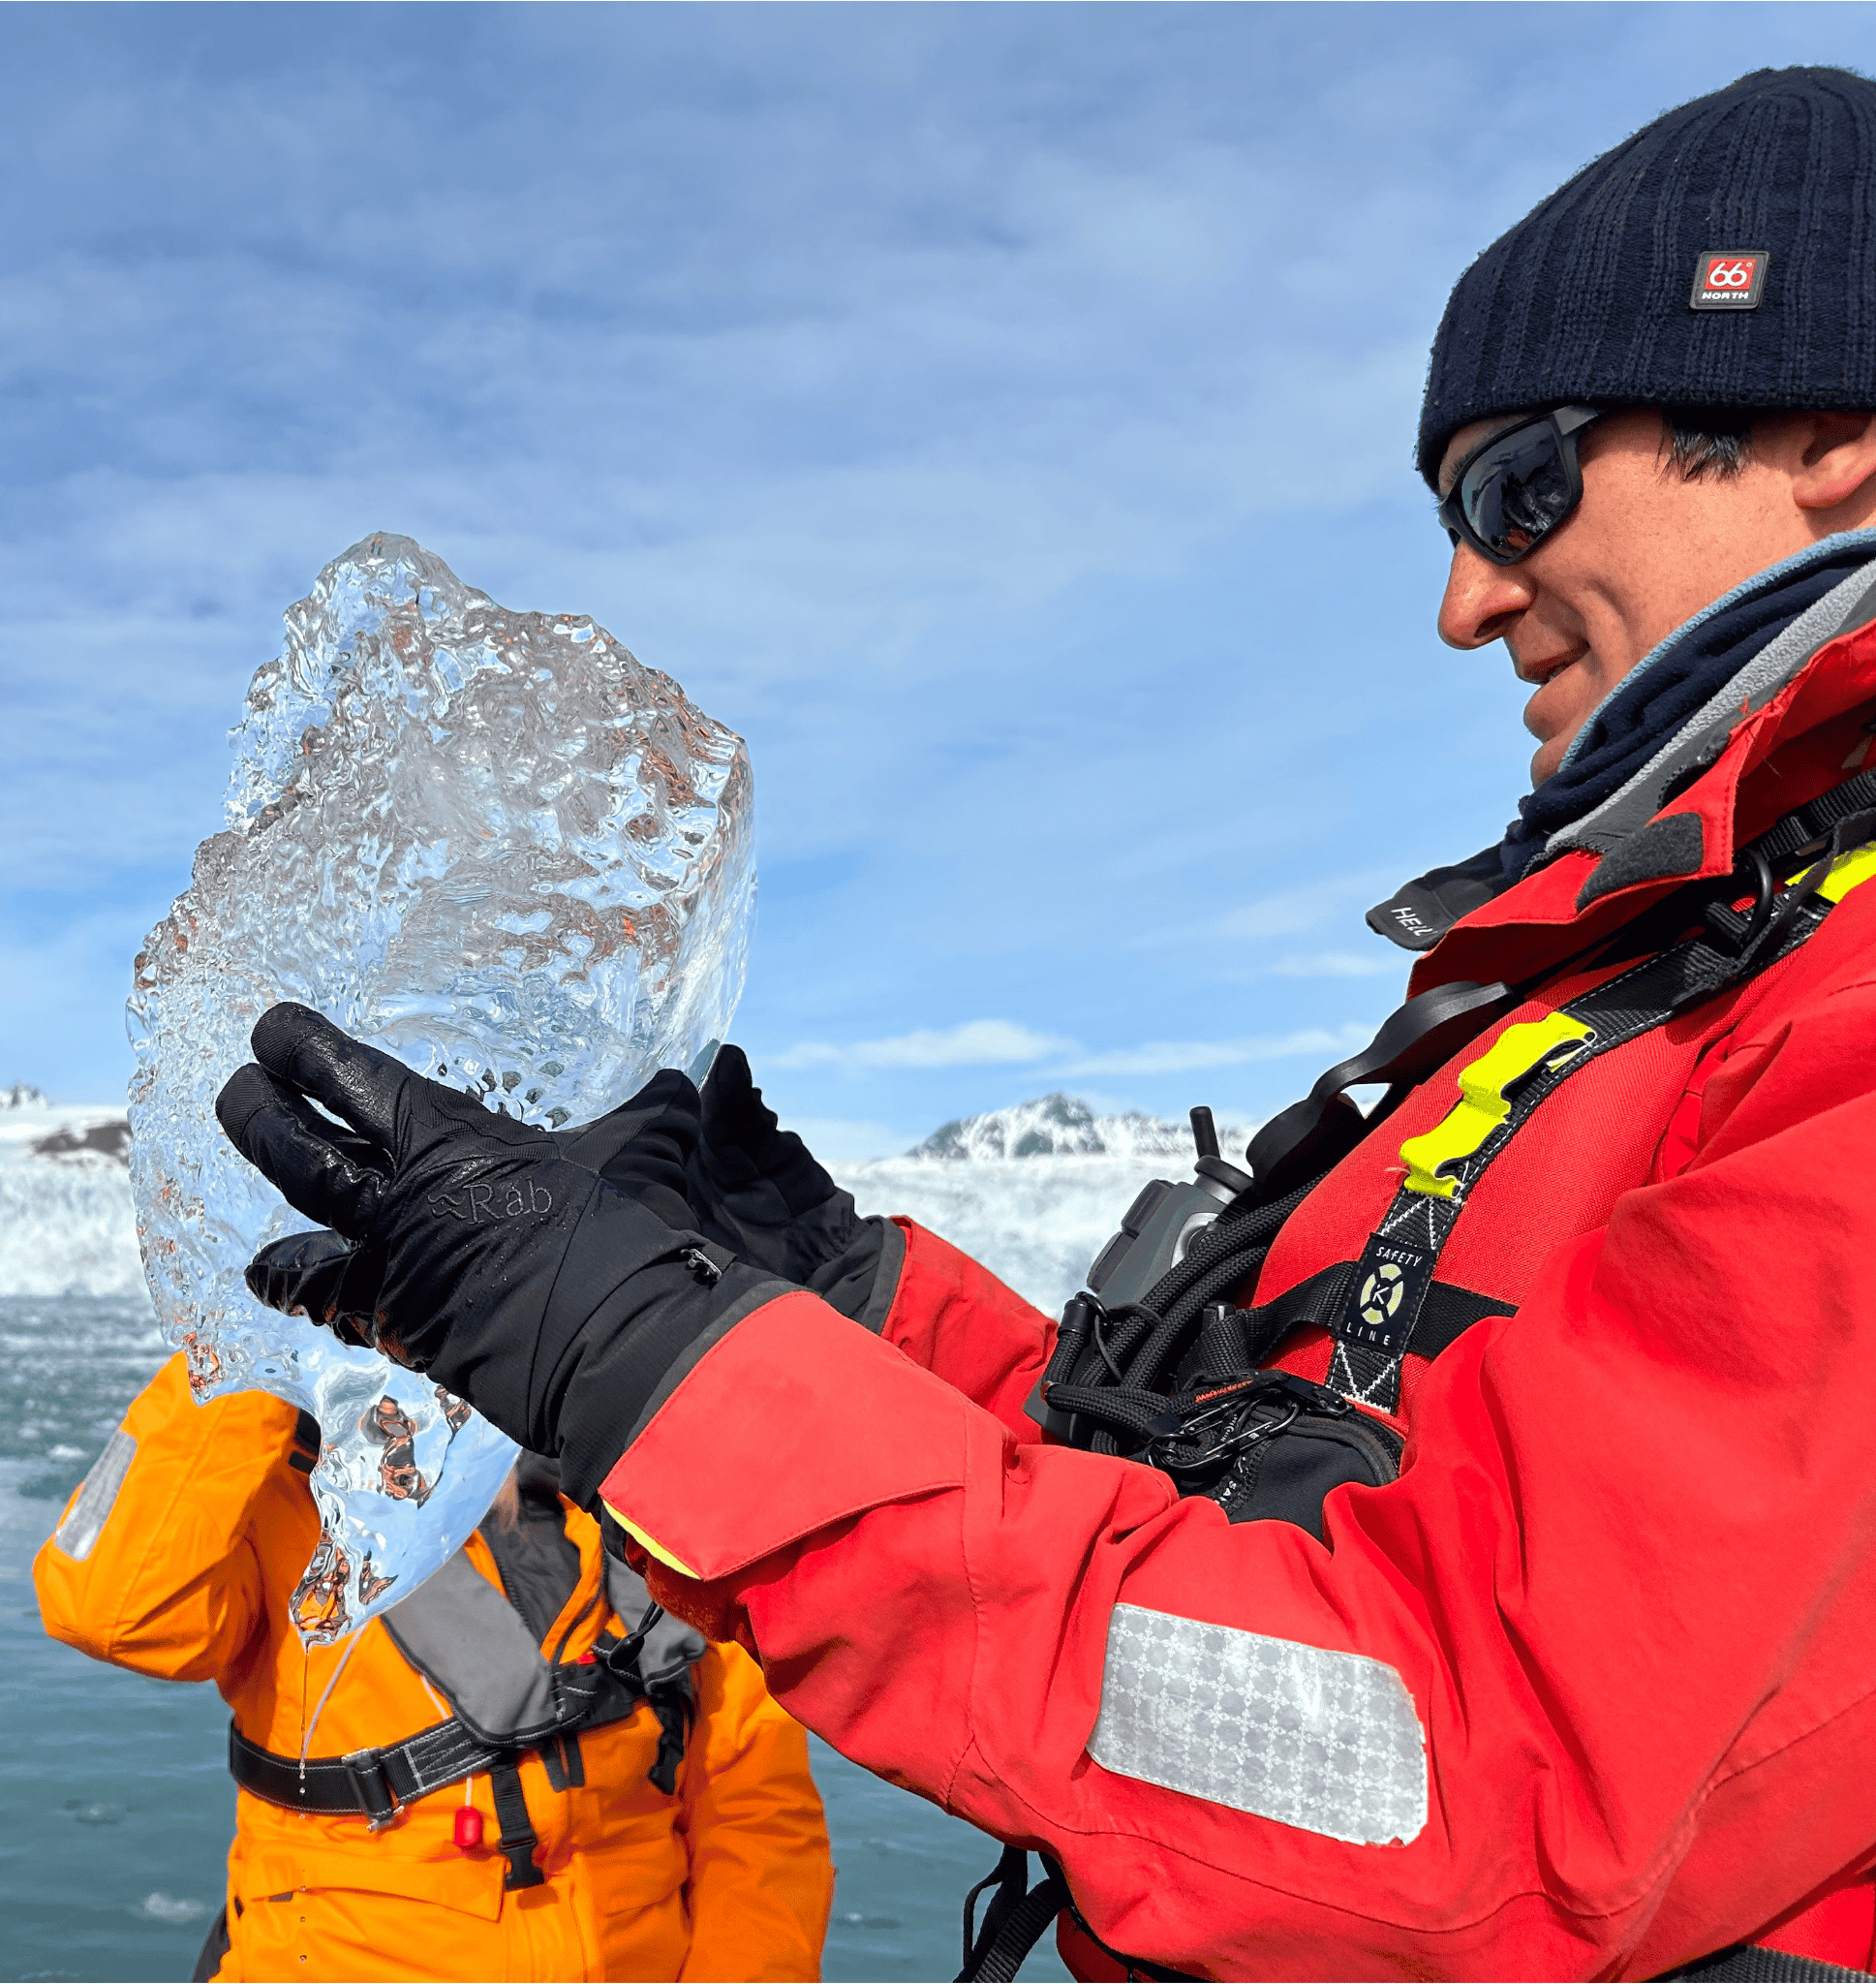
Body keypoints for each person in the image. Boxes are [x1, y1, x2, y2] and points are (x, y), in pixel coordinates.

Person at [210, 65, 1876, 1982]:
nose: (1456, 599)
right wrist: (826, 1297)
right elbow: (1212, 1516)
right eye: (1447, 514)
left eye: (1515, 488)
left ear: (1823, 427)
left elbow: (1437, 1778)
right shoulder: (1653, 976)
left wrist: (665, 1375)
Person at [34, 1350, 834, 1982]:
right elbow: (114, 1613)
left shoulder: (643, 1496)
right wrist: (247, 1341)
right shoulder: (279, 1498)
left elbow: (755, 1806)